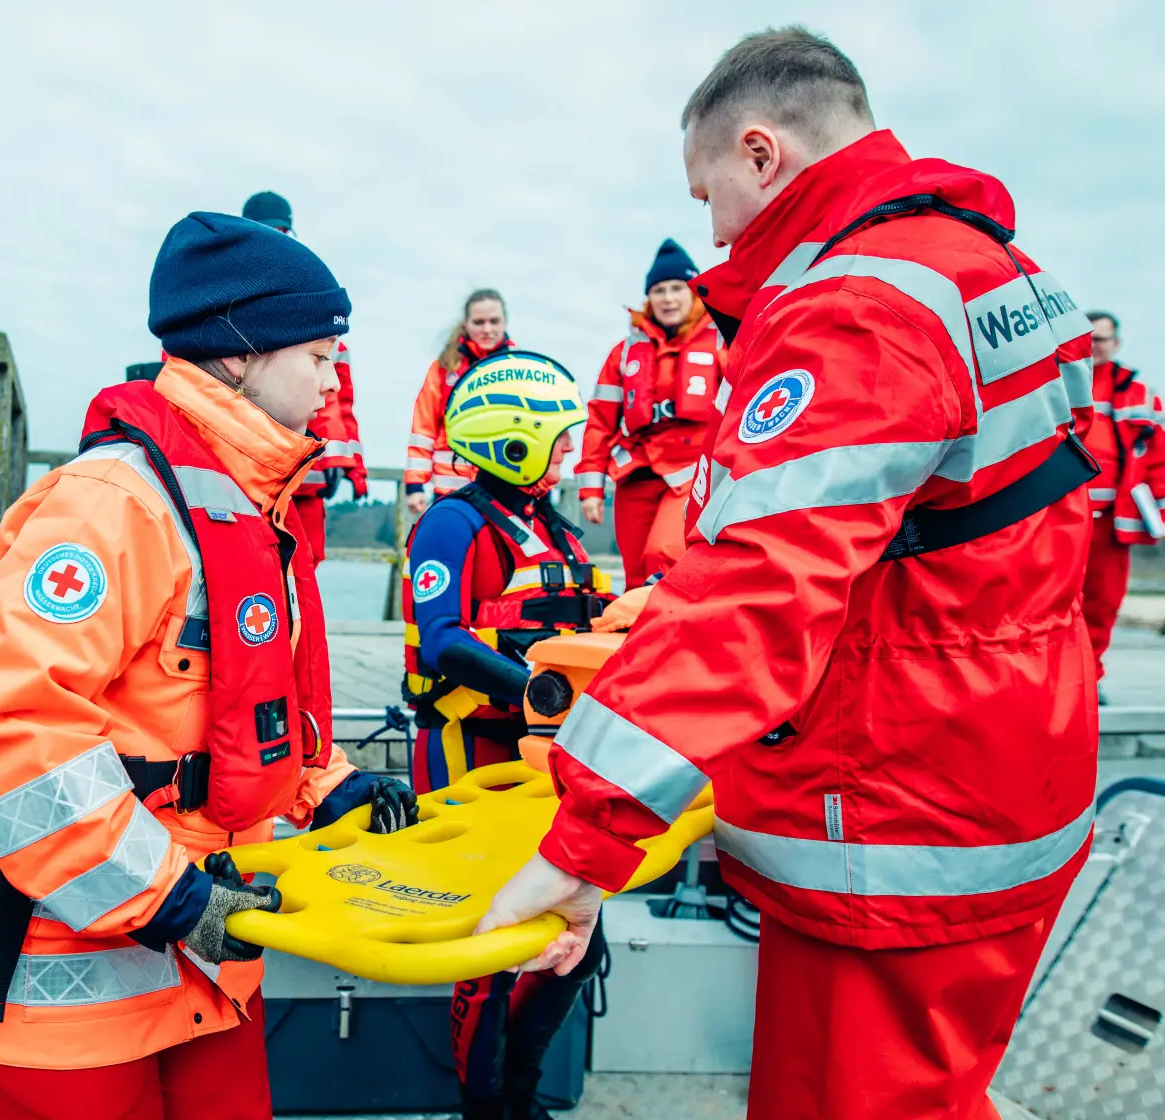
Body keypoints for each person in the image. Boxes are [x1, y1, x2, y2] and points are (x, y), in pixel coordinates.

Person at [478, 27, 1100, 1120]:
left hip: (896, 810)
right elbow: (1003, 525)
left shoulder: (859, 304)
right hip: (1010, 765)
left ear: (761, 154)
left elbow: (765, 586)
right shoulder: (993, 269)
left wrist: (585, 838)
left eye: (707, 194)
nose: (712, 233)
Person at [0, 211, 418, 1120]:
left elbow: (235, 705)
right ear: (239, 355)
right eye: (319, 353)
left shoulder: (252, 506)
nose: (333, 379)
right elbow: (5, 731)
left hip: (201, 965)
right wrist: (172, 899)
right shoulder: (114, 505)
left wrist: (325, 785)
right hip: (50, 991)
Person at [402, 350, 608, 1119]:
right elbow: (442, 640)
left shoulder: (550, 527)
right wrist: (534, 690)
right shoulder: (453, 523)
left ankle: (518, 1095)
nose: (572, 448)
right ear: (512, 438)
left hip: (544, 757)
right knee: (489, 943)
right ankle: (485, 1108)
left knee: (578, 941)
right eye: (560, 435)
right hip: (470, 749)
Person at [577, 240, 727, 587]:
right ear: (649, 298)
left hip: (693, 471)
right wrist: (591, 489)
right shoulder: (624, 352)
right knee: (635, 573)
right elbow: (600, 421)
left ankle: (670, 622)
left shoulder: (721, 341)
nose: (668, 298)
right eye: (659, 290)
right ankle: (636, 623)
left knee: (663, 556)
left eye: (677, 288)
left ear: (693, 292)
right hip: (637, 473)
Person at [243, 190, 369, 559]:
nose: (276, 240)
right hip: (245, 473)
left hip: (306, 477)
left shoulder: (317, 304)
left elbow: (337, 398)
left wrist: (346, 463)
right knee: (250, 563)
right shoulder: (222, 297)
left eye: (283, 232)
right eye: (267, 231)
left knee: (306, 562)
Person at [1079, 311, 1165, 694]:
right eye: (1087, 338)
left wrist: (1158, 515)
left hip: (1111, 523)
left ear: (1116, 344)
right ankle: (1057, 682)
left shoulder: (1139, 394)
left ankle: (1088, 681)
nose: (1094, 346)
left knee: (1101, 604)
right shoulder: (1054, 385)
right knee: (1051, 602)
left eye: (1101, 339)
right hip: (1059, 519)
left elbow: (1159, 459)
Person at [405, 290, 513, 515]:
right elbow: (423, 429)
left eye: (494, 321)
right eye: (479, 322)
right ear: (466, 325)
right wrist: (415, 485)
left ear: (505, 322)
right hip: (451, 490)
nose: (487, 329)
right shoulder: (444, 368)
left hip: (505, 490)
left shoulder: (521, 367)